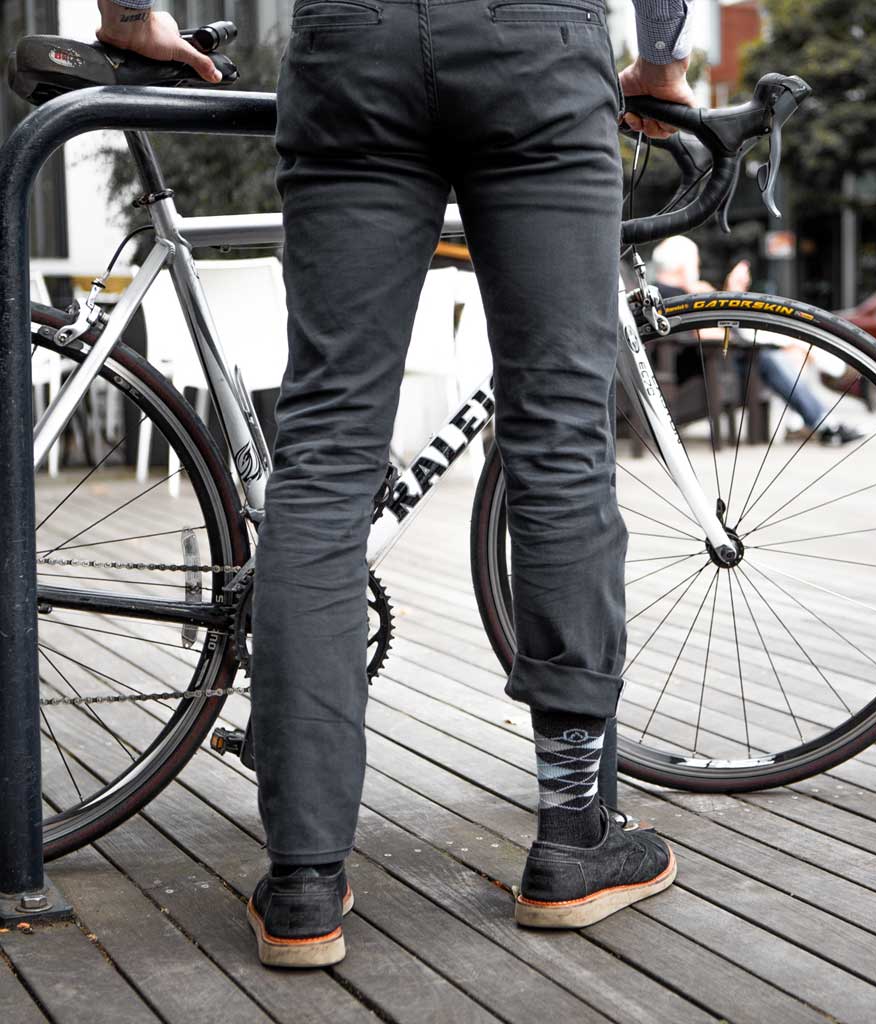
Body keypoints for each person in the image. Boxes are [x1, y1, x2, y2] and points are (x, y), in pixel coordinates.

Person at [97, 0, 691, 968]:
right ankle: (575, 833)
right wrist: (661, 62)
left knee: (325, 455)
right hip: (537, 48)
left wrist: (129, 14)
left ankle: (302, 880)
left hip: (353, 45)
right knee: (560, 438)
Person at [652, 236, 865, 445]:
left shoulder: (687, 292)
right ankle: (825, 411)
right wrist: (730, 292)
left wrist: (728, 293)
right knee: (769, 356)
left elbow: (722, 326)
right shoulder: (670, 296)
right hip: (705, 366)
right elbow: (712, 334)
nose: (697, 266)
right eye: (695, 261)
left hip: (724, 359)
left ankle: (806, 421)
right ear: (681, 265)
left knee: (787, 352)